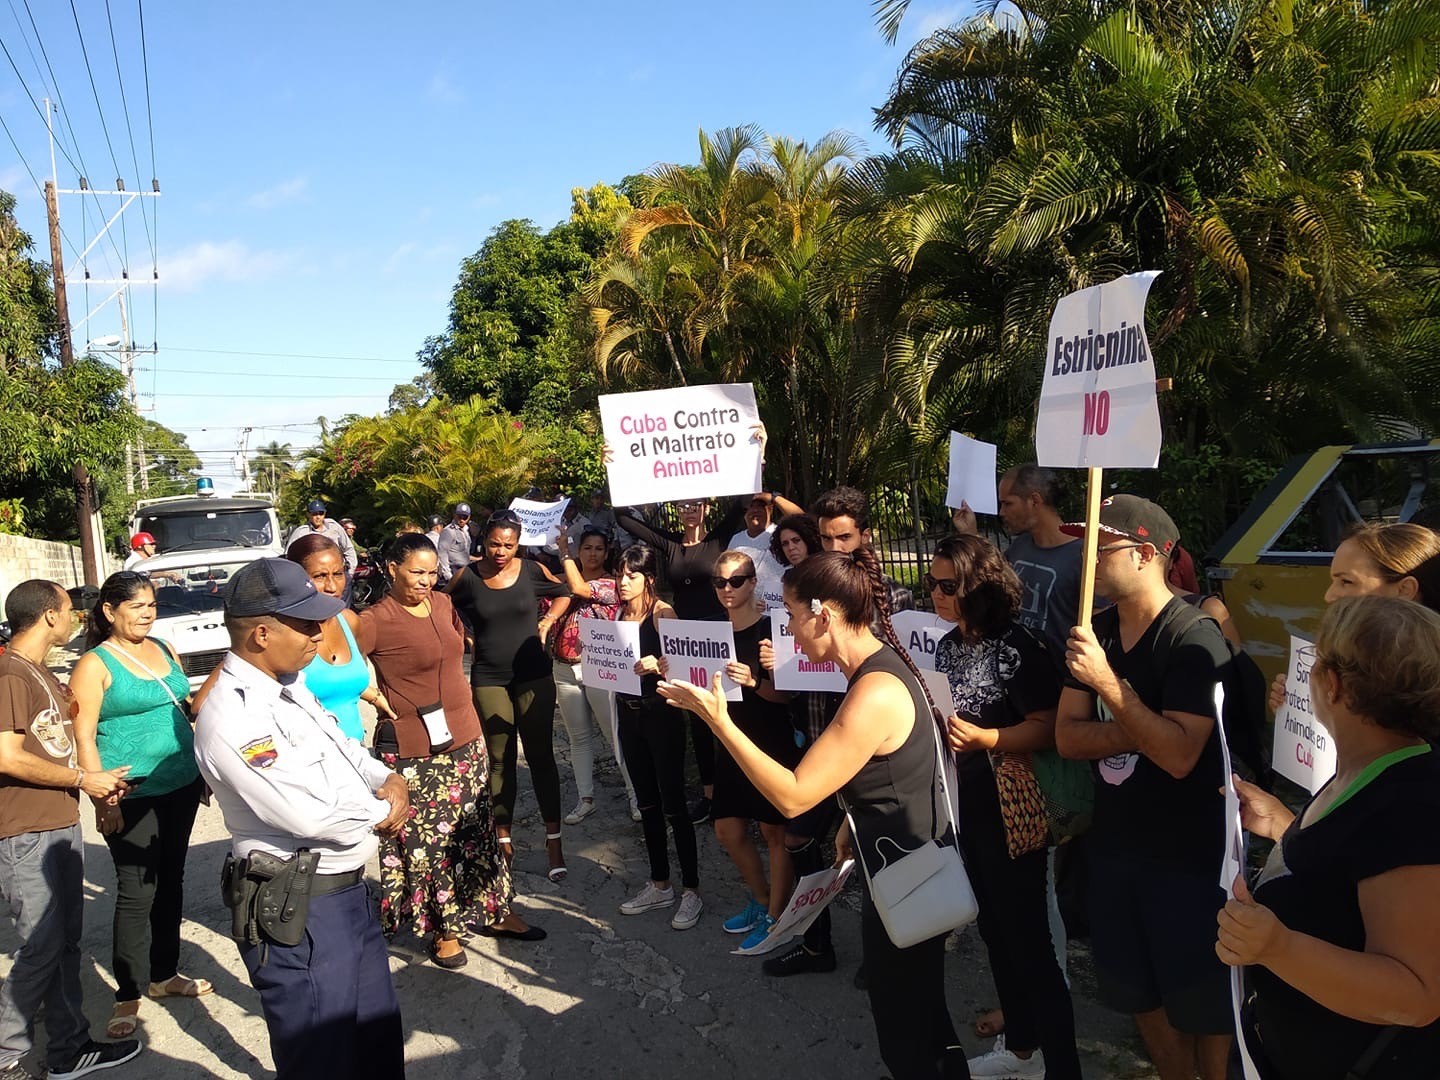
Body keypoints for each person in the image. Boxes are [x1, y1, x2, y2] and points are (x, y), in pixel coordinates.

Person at [659, 549, 967, 1079]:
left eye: (795, 617)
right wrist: (852, 820)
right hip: (894, 864)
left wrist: (718, 721)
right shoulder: (879, 667)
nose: (792, 634)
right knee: (926, 1017)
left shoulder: (874, 689)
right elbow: (897, 766)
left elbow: (795, 796)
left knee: (906, 1035)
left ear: (823, 613)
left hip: (907, 876)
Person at [193, 559, 408, 1079]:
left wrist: (386, 776)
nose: (318, 634)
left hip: (347, 895)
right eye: (305, 624)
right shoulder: (234, 714)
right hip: (299, 908)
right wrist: (383, 810)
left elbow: (343, 747)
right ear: (262, 633)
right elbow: (307, 813)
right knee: (323, 1059)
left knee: (377, 1047)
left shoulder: (291, 686)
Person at [1220, 596, 1440, 1080]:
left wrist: (1276, 946)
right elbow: (1350, 868)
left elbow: (1418, 992)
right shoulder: (1366, 768)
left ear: (1333, 684)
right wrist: (1281, 825)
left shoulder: (1413, 801)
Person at [1055, 495, 1233, 1080]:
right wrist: (1145, 728)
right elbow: (1068, 739)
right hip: (1112, 851)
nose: (1088, 562)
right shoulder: (1094, 631)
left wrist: (1109, 687)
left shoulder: (1194, 638)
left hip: (1187, 859)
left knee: (1204, 1004)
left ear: (1146, 554)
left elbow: (1181, 758)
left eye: (1101, 549)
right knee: (1137, 994)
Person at [929, 535, 1081, 1080]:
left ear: (978, 587)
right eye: (933, 584)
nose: (938, 595)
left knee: (1032, 945)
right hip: (966, 808)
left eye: (949, 586)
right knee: (995, 930)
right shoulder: (948, 645)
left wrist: (989, 738)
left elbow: (1049, 726)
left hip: (1012, 812)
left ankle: (1063, 1068)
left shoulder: (1019, 646)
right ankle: (1022, 1051)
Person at [356, 534, 538, 965]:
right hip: (416, 754)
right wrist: (375, 697)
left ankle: (494, 910)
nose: (425, 580)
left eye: (431, 571)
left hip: (464, 737)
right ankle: (443, 930)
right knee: (429, 846)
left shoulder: (441, 603)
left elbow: (455, 647)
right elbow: (333, 668)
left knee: (477, 832)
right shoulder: (375, 619)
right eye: (415, 572)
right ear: (391, 569)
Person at [0, 580, 140, 1080]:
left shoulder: (36, 671)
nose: (77, 616)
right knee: (40, 944)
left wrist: (94, 784)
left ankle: (67, 1048)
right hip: (25, 832)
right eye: (69, 608)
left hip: (57, 823)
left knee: (62, 944)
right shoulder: (9, 674)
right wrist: (84, 778)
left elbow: (50, 746)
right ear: (48, 616)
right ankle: (6, 1052)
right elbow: (6, 756)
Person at [69, 572, 210, 1041]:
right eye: (137, 606)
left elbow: (184, 708)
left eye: (151, 605)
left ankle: (164, 974)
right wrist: (101, 796)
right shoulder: (94, 664)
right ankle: (127, 993)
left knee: (170, 879)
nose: (148, 613)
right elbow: (83, 734)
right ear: (110, 611)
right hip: (130, 793)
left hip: (181, 784)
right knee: (135, 893)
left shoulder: (164, 648)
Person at [447, 510, 572, 883]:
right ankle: (503, 842)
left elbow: (564, 592)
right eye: (495, 544)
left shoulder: (532, 571)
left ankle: (554, 843)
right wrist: (463, 634)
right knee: (499, 759)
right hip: (489, 676)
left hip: (533, 673)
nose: (501, 551)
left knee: (540, 757)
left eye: (509, 545)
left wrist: (548, 621)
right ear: (483, 540)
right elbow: (439, 606)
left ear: (519, 543)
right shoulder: (467, 577)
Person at [756, 512, 842, 978]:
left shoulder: (864, 596)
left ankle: (893, 951)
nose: (792, 548)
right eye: (784, 542)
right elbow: (784, 691)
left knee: (868, 851)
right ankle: (815, 944)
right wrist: (776, 663)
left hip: (860, 747)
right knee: (798, 836)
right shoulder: (789, 608)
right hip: (811, 740)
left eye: (800, 540)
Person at [706, 550, 800, 951]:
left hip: (769, 739)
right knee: (726, 828)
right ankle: (760, 899)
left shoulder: (771, 631)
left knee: (774, 831)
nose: (728, 589)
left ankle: (778, 917)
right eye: (721, 582)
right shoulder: (709, 635)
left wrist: (754, 682)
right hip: (728, 739)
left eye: (737, 581)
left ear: (753, 583)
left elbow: (787, 696)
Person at [610, 543, 704, 931]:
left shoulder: (662, 614)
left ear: (648, 579)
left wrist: (659, 664)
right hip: (628, 716)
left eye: (630, 575)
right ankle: (660, 883)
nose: (622, 582)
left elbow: (682, 664)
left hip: (660, 716)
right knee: (646, 804)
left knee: (673, 804)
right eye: (619, 575)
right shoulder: (617, 614)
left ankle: (692, 889)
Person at [1266, 522, 1440, 710]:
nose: (1329, 596)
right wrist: (1297, 707)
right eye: (1334, 581)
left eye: (1346, 582)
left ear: (1405, 589)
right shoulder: (1352, 654)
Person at [553, 525, 638, 823]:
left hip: (599, 668)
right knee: (578, 738)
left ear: (607, 552)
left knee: (614, 734)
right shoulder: (562, 580)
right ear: (581, 551)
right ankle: (585, 798)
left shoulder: (609, 584)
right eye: (586, 548)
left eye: (598, 548)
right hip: (563, 667)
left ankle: (635, 795)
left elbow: (578, 588)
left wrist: (564, 551)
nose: (592, 553)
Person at [287, 500, 357, 577]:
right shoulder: (301, 532)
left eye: (321, 513)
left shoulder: (334, 527)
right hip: (314, 576)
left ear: (325, 514)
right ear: (308, 514)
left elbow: (348, 549)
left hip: (337, 574)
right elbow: (288, 556)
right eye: (314, 514)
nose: (318, 517)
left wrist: (350, 572)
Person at [436, 503, 474, 584]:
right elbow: (442, 554)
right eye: (459, 516)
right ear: (454, 515)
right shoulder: (448, 531)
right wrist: (448, 576)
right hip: (453, 572)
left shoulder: (467, 530)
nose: (462, 519)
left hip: (464, 572)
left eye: (465, 517)